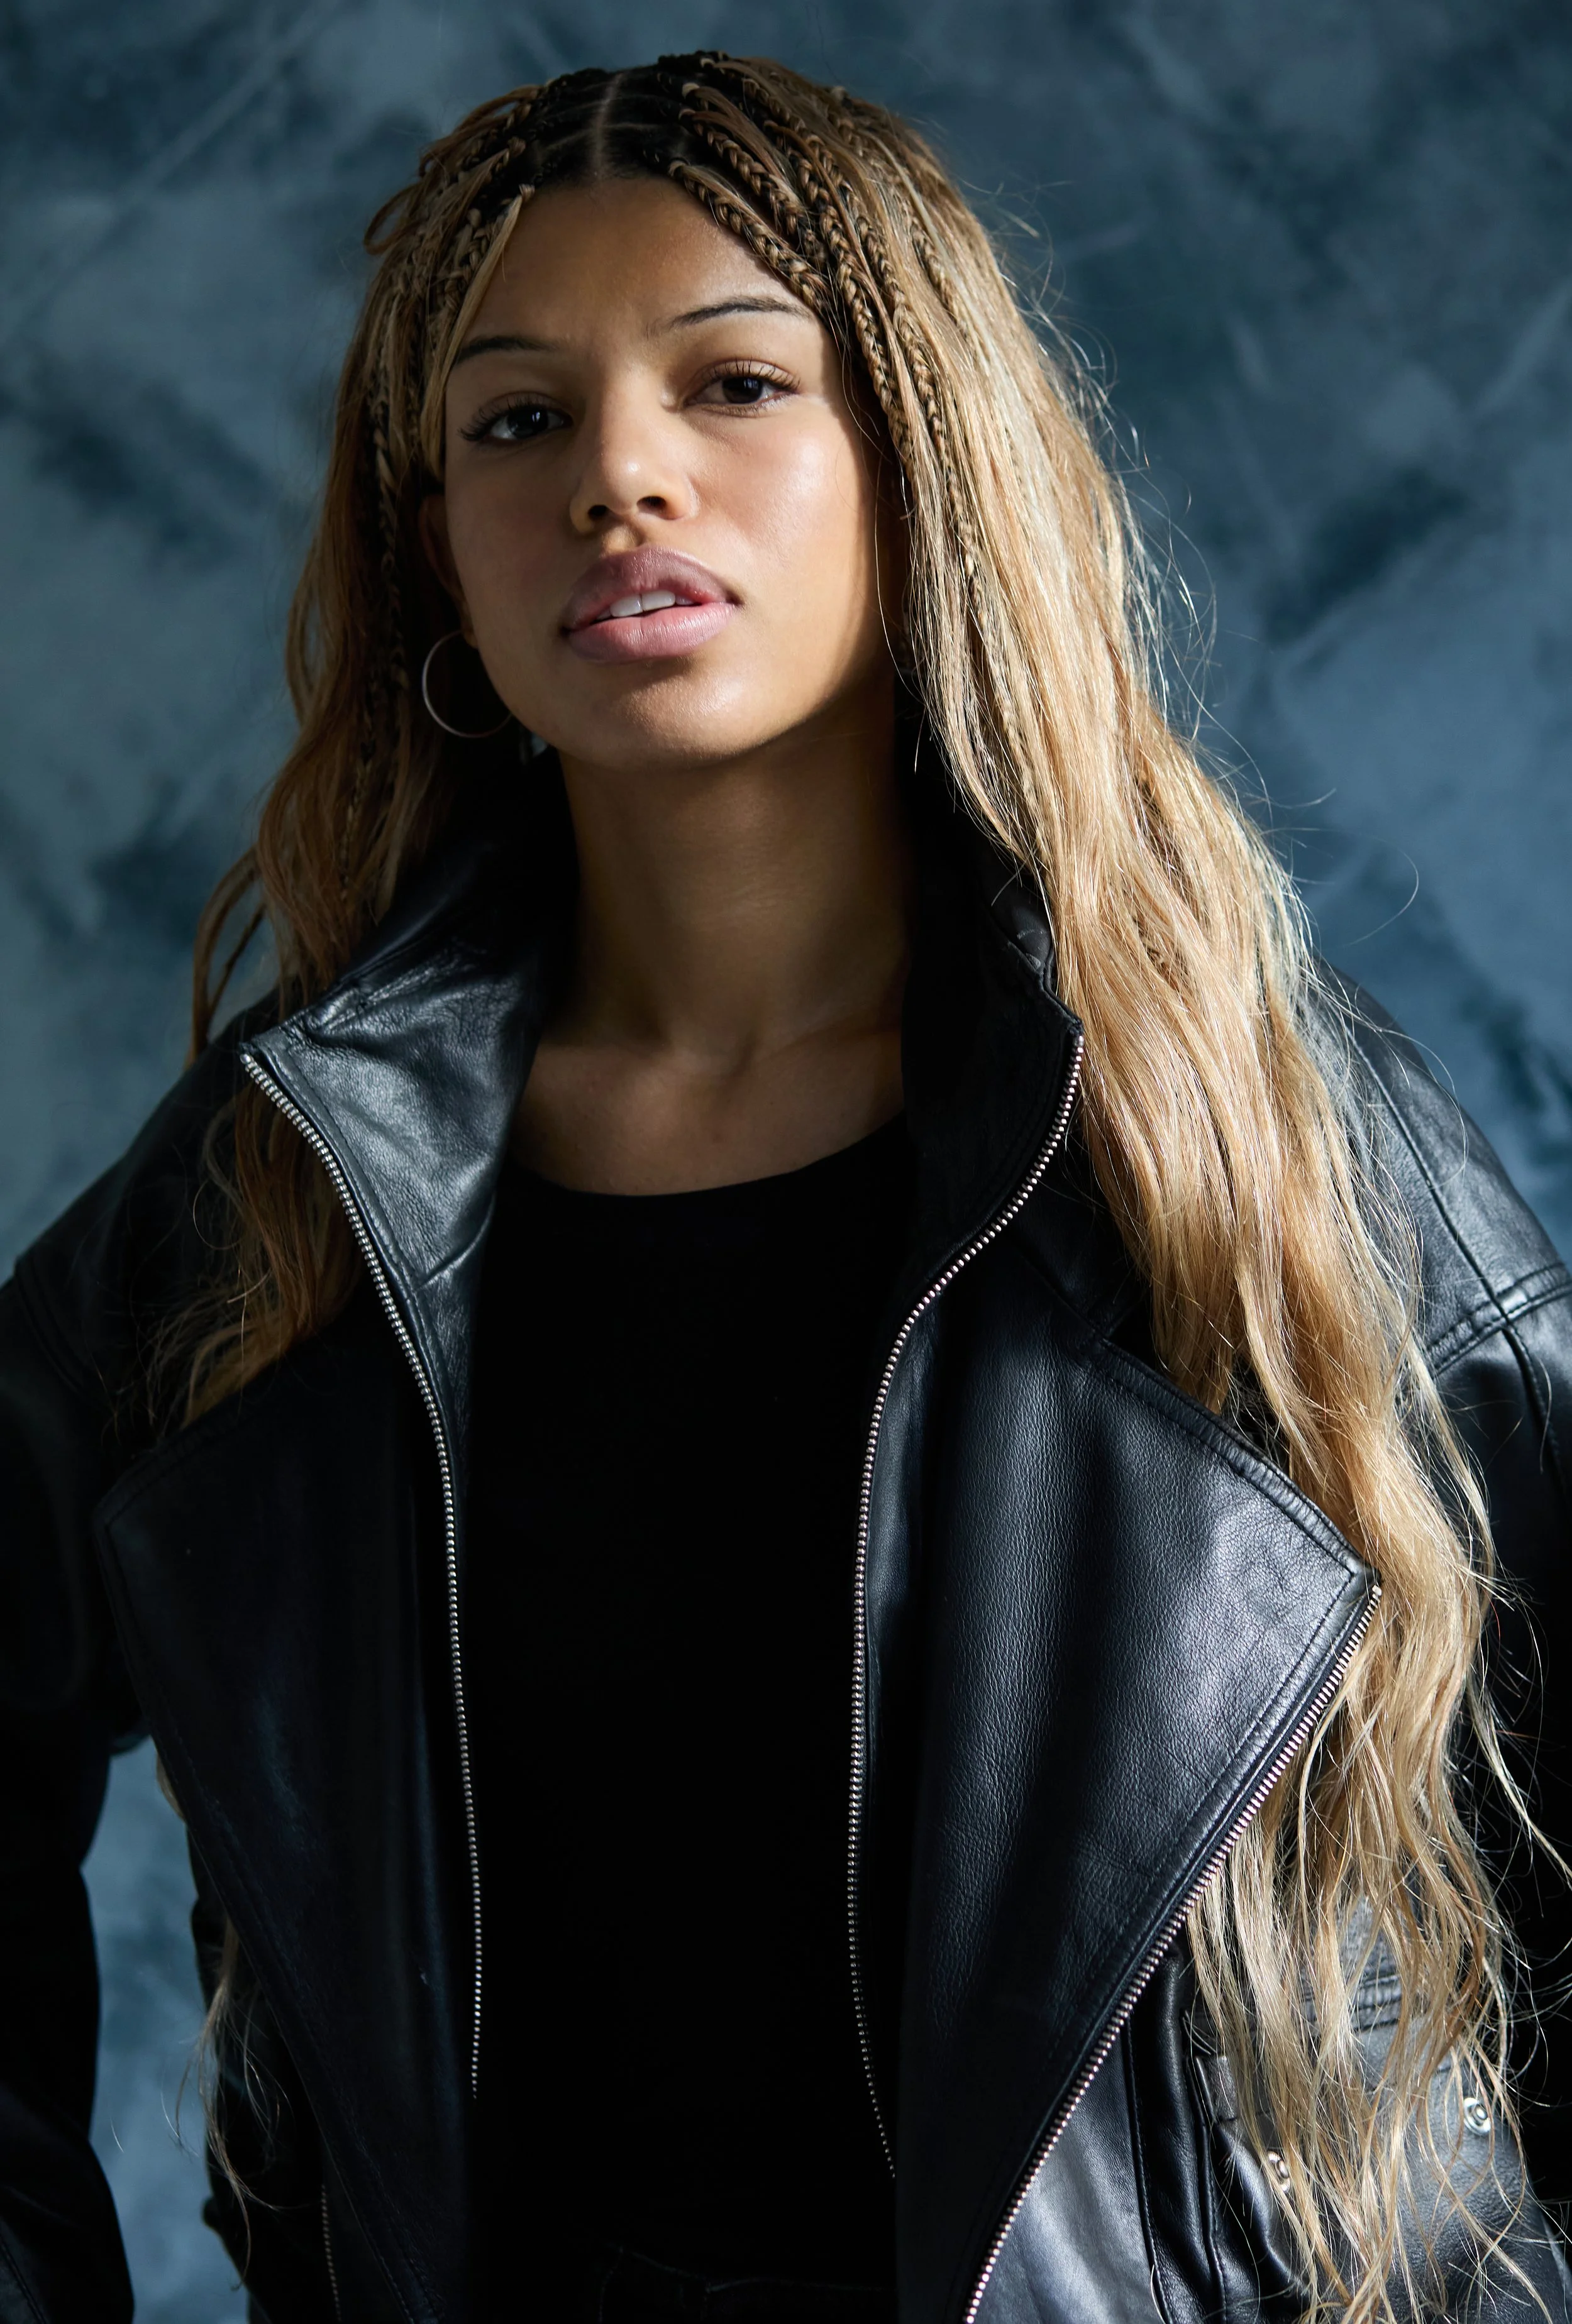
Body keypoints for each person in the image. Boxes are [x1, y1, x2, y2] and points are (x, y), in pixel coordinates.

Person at [1, 50, 1569, 2324]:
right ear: (429, 536)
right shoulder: (287, 1184)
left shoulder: (1249, 1141)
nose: (619, 476)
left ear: (912, 467)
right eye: (513, 420)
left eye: (734, 380)